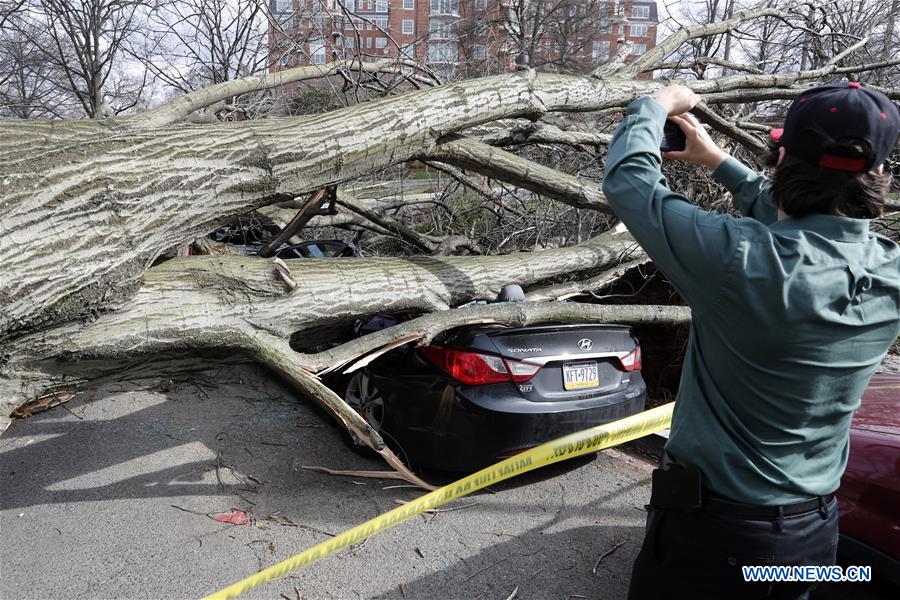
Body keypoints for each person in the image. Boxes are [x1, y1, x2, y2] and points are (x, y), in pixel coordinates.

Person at [602, 82, 900, 599]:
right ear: (879, 174)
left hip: (715, 542)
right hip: (813, 538)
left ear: (782, 159)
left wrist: (655, 104)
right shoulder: (890, 270)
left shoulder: (738, 259)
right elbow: (816, 232)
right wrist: (718, 161)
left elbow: (631, 183)